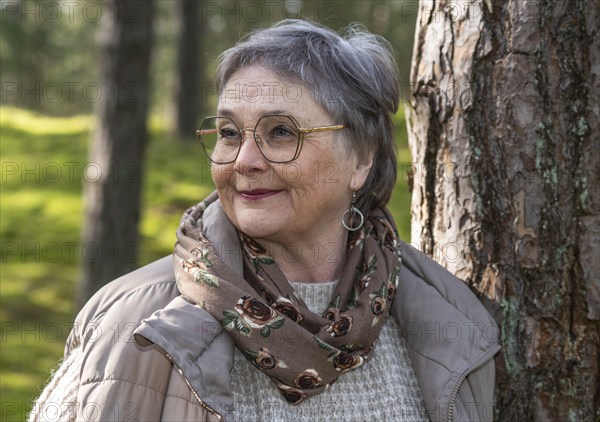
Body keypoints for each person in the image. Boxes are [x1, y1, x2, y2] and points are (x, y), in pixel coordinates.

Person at [30, 19, 500, 422]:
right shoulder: (133, 322)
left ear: (361, 157)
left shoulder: (450, 316)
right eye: (230, 133)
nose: (245, 160)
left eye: (280, 132)